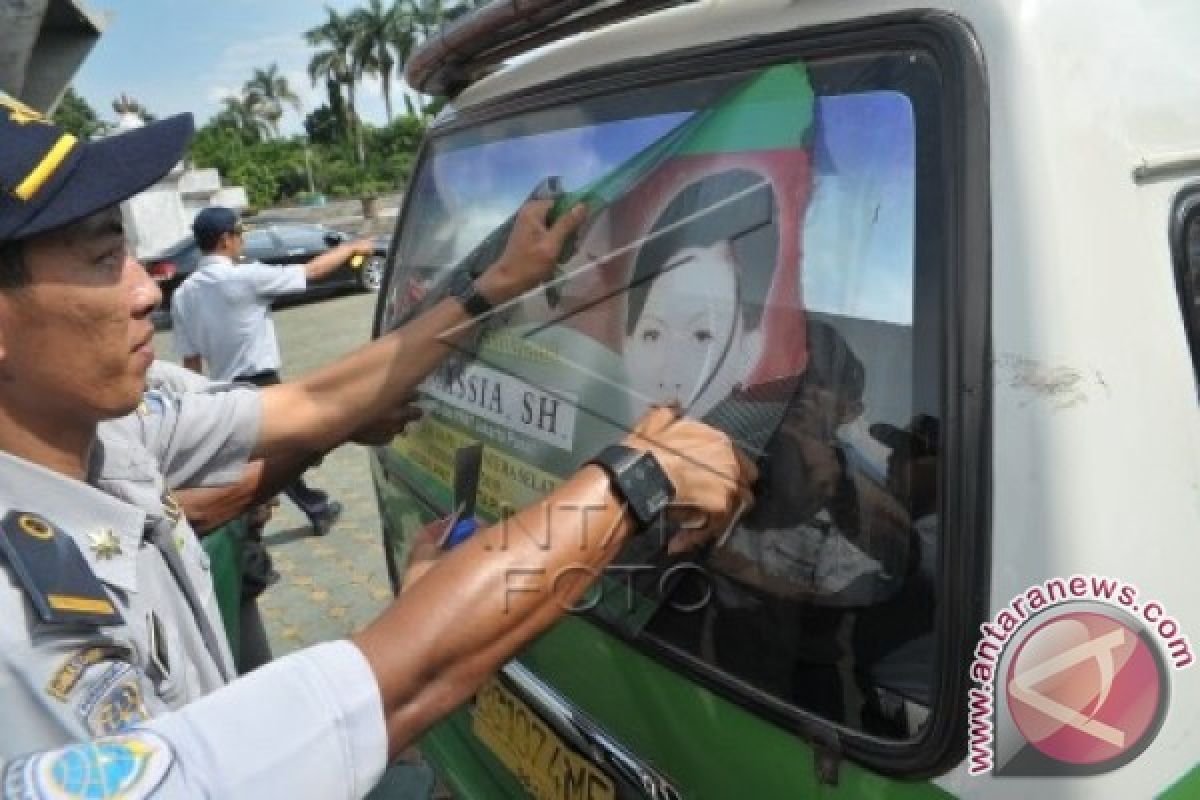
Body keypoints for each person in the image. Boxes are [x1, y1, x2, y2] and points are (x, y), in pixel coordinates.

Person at [0, 104, 753, 798]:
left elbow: (316, 403)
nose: (148, 292)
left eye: (130, 252)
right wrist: (633, 480)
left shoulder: (101, 424)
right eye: (103, 262)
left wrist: (493, 288)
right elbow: (336, 714)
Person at [171, 206, 368, 535]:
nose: (242, 241)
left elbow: (189, 361)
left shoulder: (183, 294)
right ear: (225, 240)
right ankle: (295, 514)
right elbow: (312, 272)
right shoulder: (245, 277)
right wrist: (349, 249)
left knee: (259, 459)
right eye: (239, 234)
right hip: (261, 385)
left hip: (220, 390)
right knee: (291, 452)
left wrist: (198, 404)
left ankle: (295, 512)